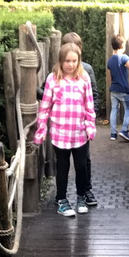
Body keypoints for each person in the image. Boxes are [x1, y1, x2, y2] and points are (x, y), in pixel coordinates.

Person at [33, 43, 96, 218]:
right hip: (60, 134)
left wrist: (90, 126)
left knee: (82, 167)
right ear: (61, 61)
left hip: (79, 133)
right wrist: (41, 131)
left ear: (79, 60)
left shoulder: (84, 79)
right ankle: (61, 199)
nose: (71, 64)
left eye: (74, 61)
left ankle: (81, 197)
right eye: (67, 61)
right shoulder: (53, 80)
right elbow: (45, 107)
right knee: (63, 167)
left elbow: (89, 105)